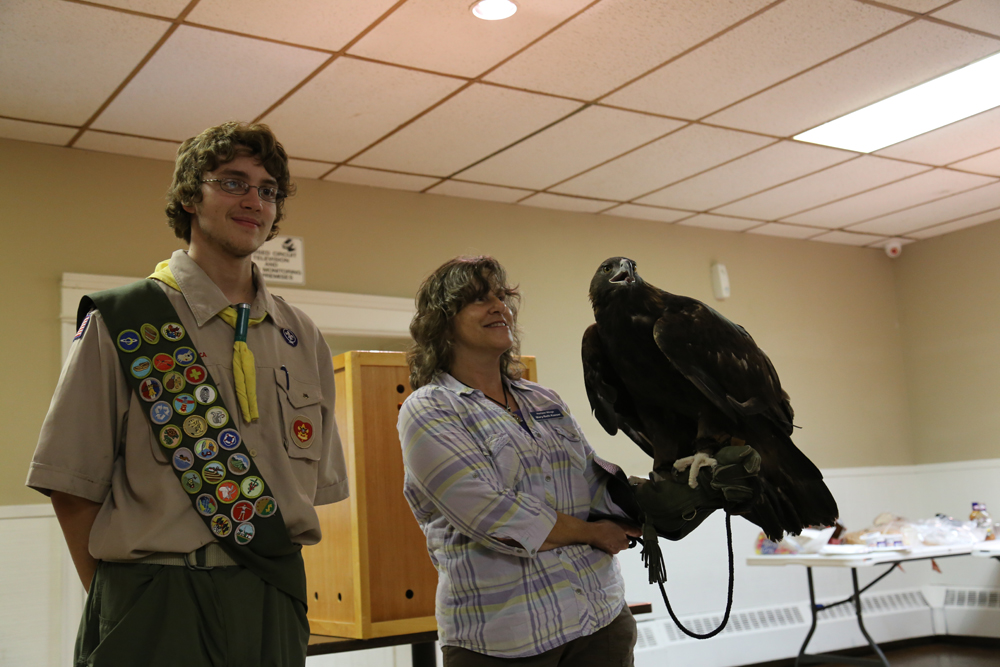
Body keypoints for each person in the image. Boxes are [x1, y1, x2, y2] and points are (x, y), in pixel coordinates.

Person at [26, 121, 349, 667]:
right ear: (189, 196)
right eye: (232, 182)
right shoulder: (123, 321)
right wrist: (130, 602)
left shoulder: (303, 335)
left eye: (268, 190)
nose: (254, 200)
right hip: (155, 597)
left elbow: (311, 489)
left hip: (270, 593)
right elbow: (72, 489)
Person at [398, 256, 641, 666]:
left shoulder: (542, 399)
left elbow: (592, 482)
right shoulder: (429, 409)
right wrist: (593, 533)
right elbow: (494, 515)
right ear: (441, 324)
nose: (499, 307)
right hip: (505, 640)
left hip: (599, 619)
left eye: (502, 296)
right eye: (478, 299)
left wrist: (659, 501)